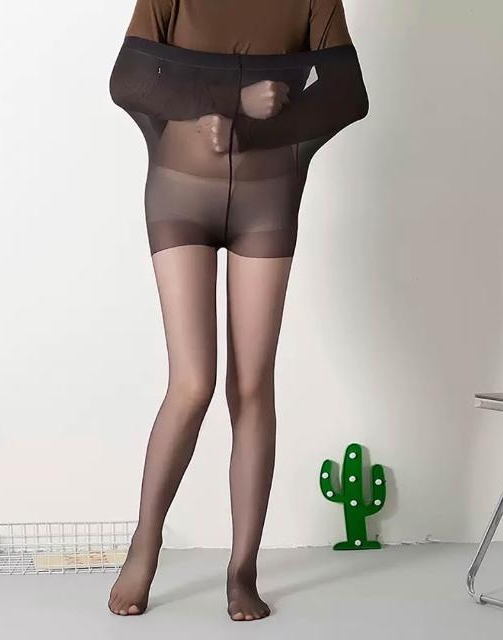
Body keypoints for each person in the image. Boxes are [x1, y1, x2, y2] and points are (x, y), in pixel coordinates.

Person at [107, 0, 368, 621]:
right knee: (192, 383)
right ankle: (146, 542)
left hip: (266, 203)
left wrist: (248, 126)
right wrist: (232, 99)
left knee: (251, 386)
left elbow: (347, 94)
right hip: (181, 196)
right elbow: (129, 79)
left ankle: (242, 568)